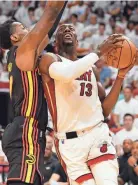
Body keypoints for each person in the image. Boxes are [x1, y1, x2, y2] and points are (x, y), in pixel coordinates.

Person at [39, 24, 135, 185]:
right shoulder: (50, 59)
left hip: (97, 134)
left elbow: (104, 110)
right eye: (63, 30)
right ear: (56, 42)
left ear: (77, 41)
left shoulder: (91, 69)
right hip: (70, 143)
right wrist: (97, 52)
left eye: (71, 29)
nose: (67, 30)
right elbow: (67, 73)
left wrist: (120, 76)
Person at [0, 1, 67, 185]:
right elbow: (49, 16)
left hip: (25, 128)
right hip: (26, 127)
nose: (28, 28)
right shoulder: (22, 51)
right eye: (22, 27)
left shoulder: (20, 54)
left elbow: (49, 29)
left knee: (32, 179)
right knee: (23, 180)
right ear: (14, 37)